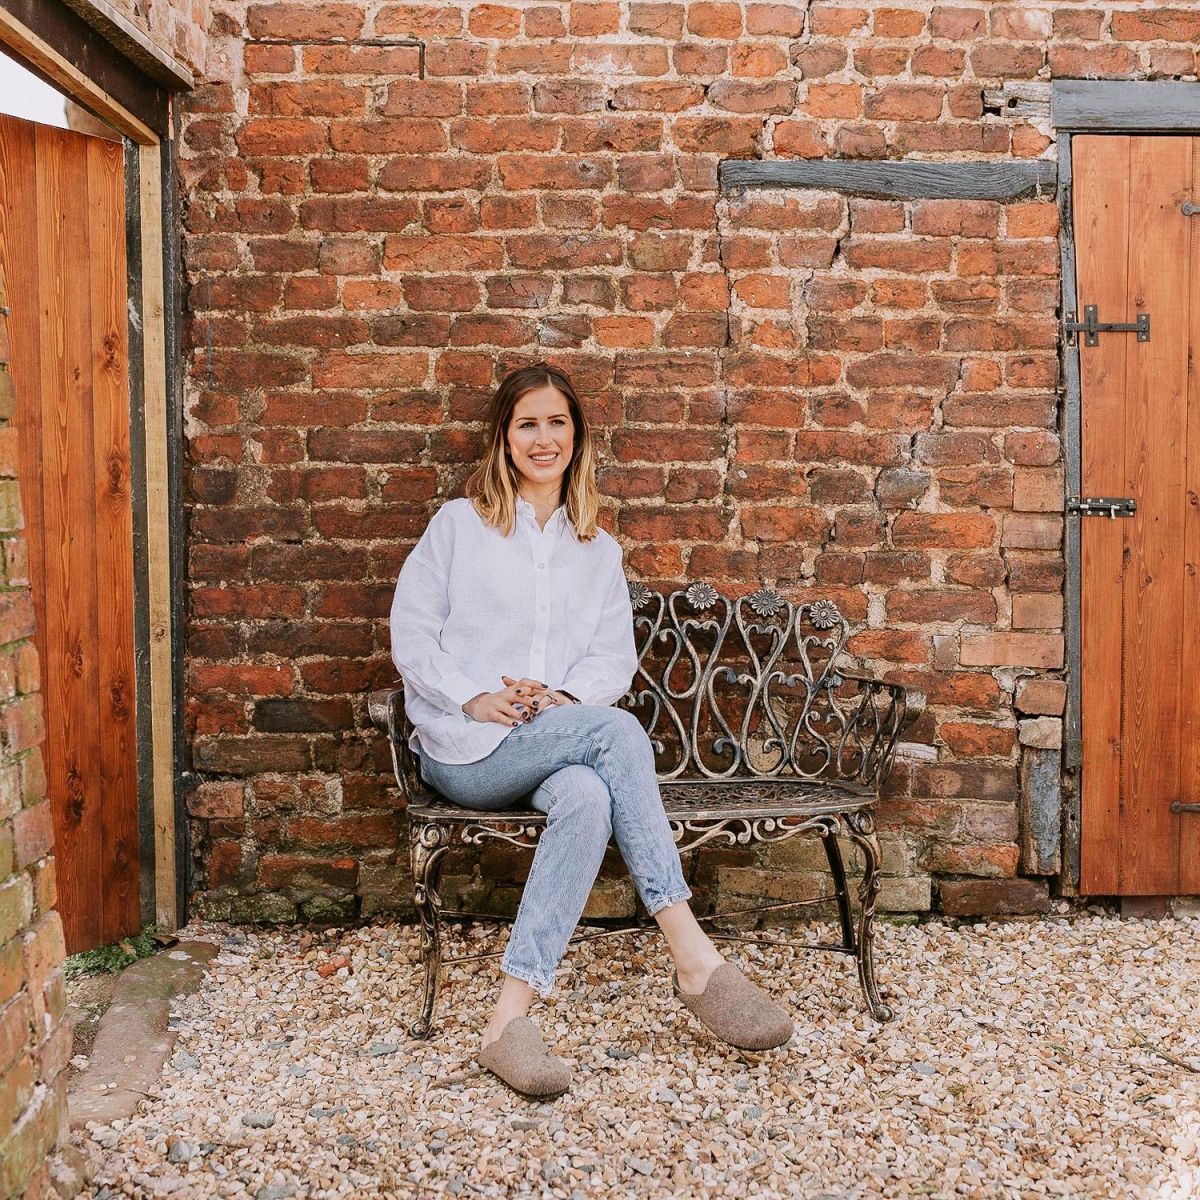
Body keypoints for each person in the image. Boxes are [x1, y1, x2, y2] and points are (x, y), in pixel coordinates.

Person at [389, 362, 792, 1099]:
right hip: (467, 749)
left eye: (557, 423)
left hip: (554, 743)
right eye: (527, 424)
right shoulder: (459, 526)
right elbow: (412, 636)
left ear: (576, 436)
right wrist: (474, 696)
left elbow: (612, 658)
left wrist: (564, 695)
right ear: (504, 438)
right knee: (614, 736)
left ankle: (506, 1023)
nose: (543, 439)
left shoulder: (596, 549)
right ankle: (694, 957)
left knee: (587, 797)